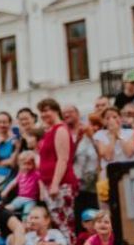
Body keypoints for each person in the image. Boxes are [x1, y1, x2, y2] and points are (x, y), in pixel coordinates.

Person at [36, 99, 77, 240]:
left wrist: (55, 184)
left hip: (61, 184)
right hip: (49, 185)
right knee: (57, 226)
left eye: (47, 110)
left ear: (56, 110)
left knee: (65, 225)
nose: (44, 114)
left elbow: (62, 159)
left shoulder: (60, 129)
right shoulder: (49, 131)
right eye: (42, 111)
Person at [0, 151, 40, 216]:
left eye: (29, 164)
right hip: (20, 198)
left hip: (31, 199)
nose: (26, 166)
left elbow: (41, 183)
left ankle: (25, 224)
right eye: (24, 164)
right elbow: (13, 183)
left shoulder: (35, 174)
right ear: (20, 165)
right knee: (7, 209)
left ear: (33, 164)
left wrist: (42, 195)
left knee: (26, 214)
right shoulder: (21, 174)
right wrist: (5, 191)